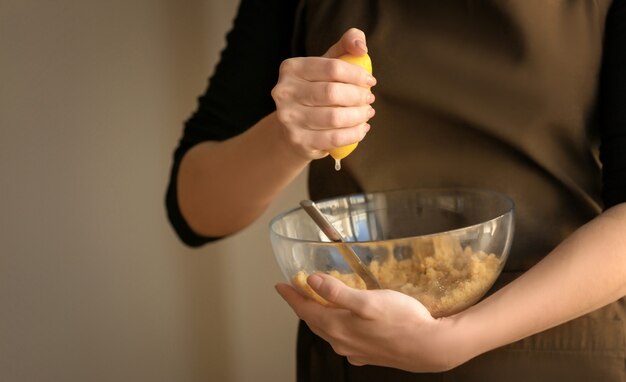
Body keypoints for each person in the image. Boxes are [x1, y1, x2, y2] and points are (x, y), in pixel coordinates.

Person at [166, 0, 626, 380]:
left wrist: (460, 336)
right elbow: (195, 210)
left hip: (563, 348)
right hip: (359, 357)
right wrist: (290, 136)